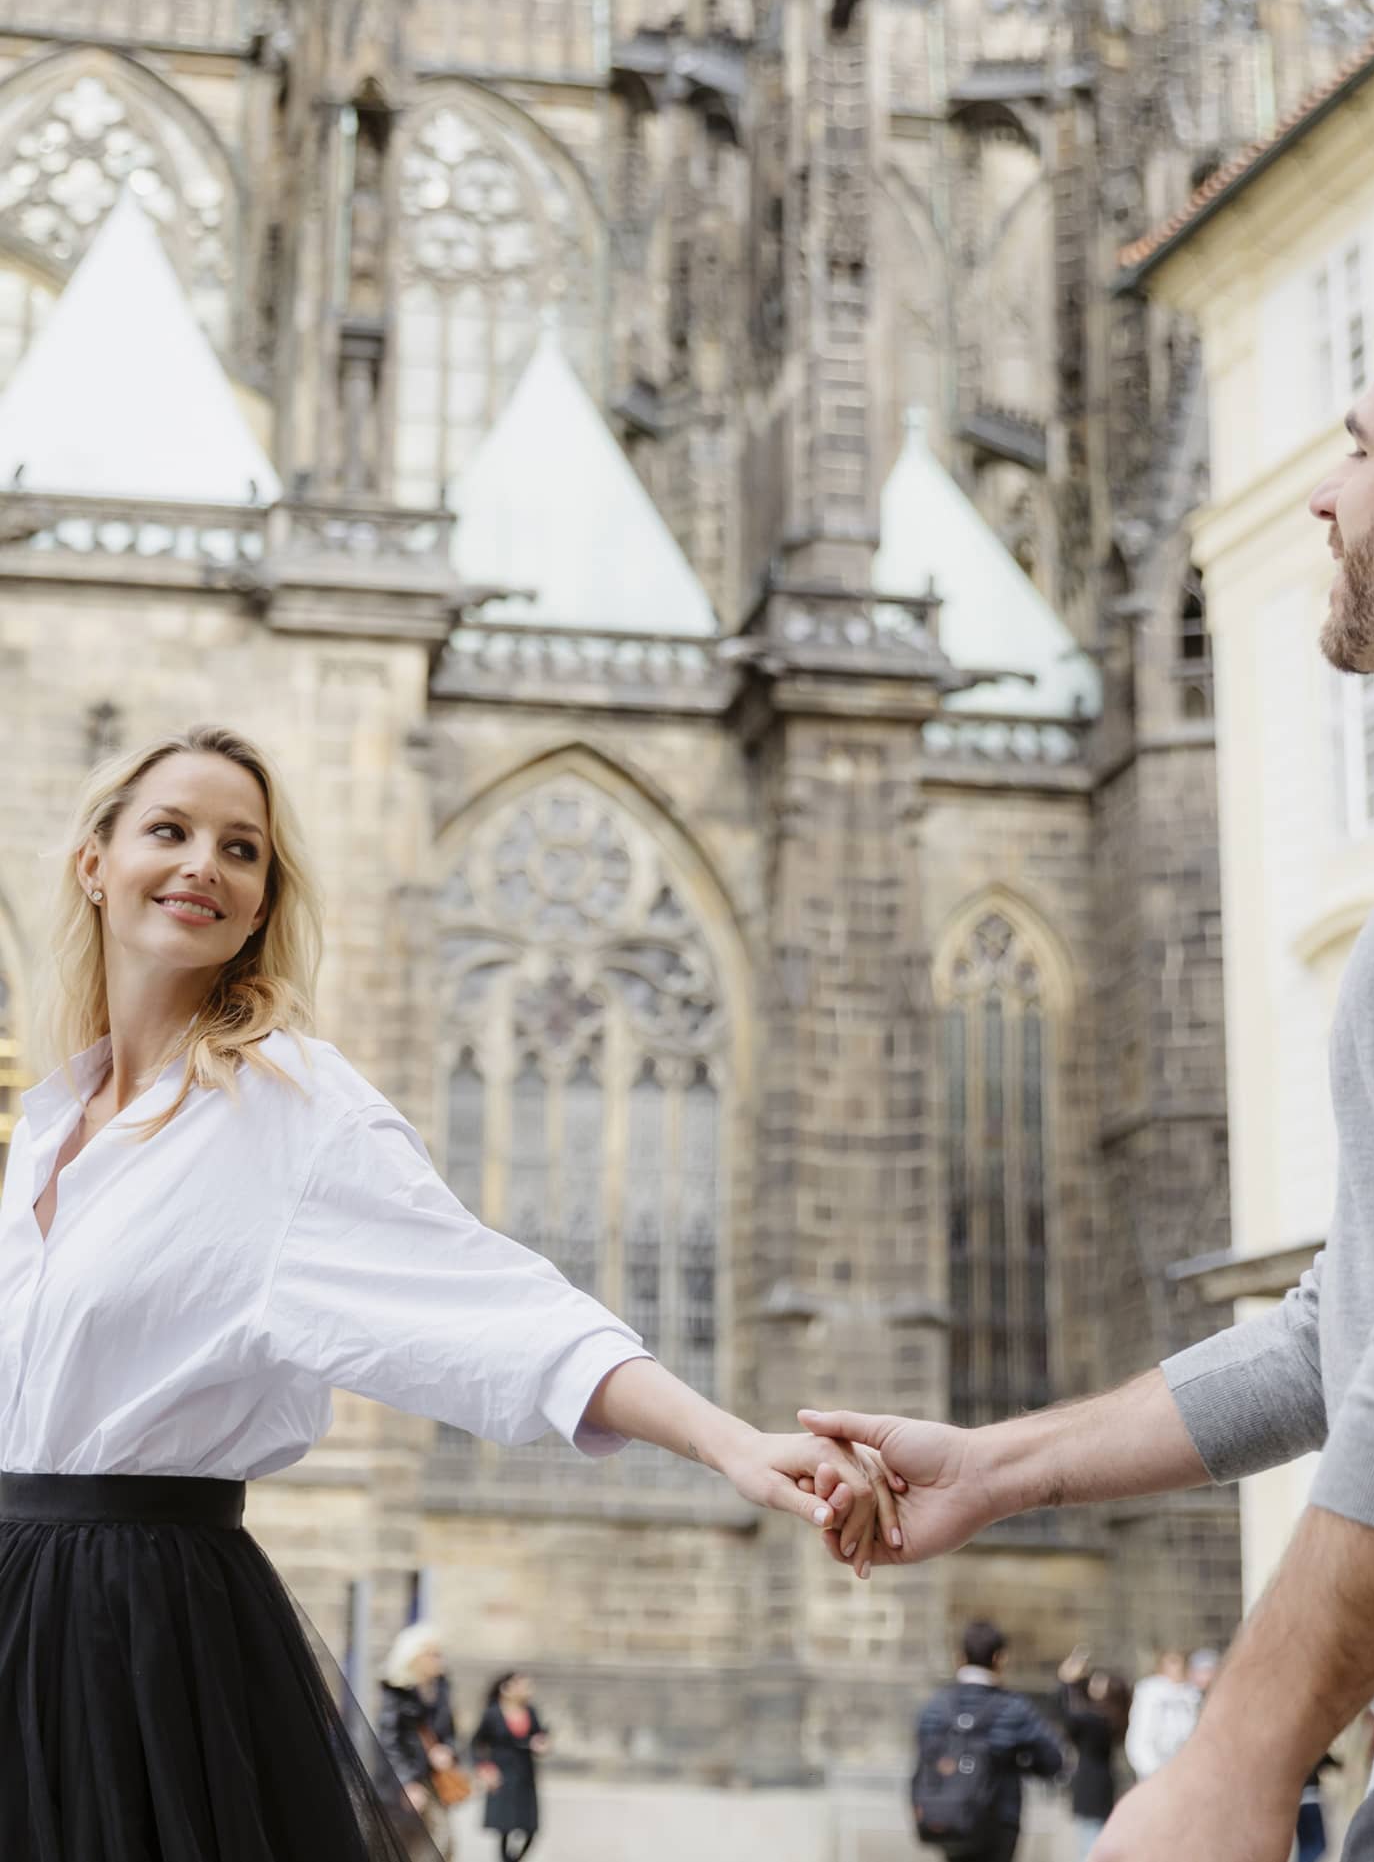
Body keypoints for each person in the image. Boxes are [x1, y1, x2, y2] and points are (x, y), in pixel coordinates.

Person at [800, 251, 1374, 1860]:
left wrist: (1234, 1750)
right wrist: (1000, 1463)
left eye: (1356, 447)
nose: (1322, 502)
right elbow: (1352, 1321)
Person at [0, 723, 896, 1862]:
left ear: (266, 899)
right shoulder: (43, 1129)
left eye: (241, 849)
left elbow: (500, 1310)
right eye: (168, 831)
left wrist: (725, 1441)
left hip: (142, 1630)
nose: (202, 865)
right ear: (95, 861)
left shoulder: (287, 1110)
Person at [911, 1619, 1063, 1862]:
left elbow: (924, 1750)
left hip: (948, 1816)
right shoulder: (1014, 1708)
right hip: (999, 1820)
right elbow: (1052, 1759)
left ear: (959, 1657)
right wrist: (1021, 1762)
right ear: (999, 1658)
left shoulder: (936, 1706)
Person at [379, 1624, 462, 1861]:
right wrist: (407, 1782)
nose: (439, 1660)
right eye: (433, 1654)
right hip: (407, 1778)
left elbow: (450, 1731)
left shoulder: (441, 1688)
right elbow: (390, 1741)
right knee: (410, 1842)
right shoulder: (397, 1690)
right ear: (415, 1656)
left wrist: (448, 1750)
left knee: (443, 1841)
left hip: (435, 1777)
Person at [1056, 1650, 1128, 1861]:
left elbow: (1068, 1716)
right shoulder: (1110, 1717)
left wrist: (1066, 1682)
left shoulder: (1098, 1721)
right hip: (1100, 1789)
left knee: (1089, 1848)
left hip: (1092, 1791)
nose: (1092, 1685)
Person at [471, 1670, 548, 1861]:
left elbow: (539, 1736)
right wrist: (484, 1768)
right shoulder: (493, 1713)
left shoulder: (530, 1711)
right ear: (506, 1688)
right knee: (504, 1827)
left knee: (529, 1827)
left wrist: (541, 1744)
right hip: (502, 1774)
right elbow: (476, 1743)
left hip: (525, 1774)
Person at [1123, 1650, 1198, 1782]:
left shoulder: (1192, 1696)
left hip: (1187, 1772)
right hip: (1158, 1774)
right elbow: (1139, 1739)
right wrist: (1155, 1773)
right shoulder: (1150, 1695)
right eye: (1173, 1662)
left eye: (1181, 1662)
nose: (1178, 1668)